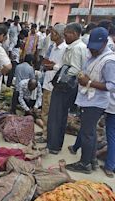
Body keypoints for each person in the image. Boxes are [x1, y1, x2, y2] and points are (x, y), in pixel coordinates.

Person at [66, 27, 115, 174]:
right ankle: (92, 160)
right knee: (90, 132)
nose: (92, 51)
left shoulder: (109, 61)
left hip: (96, 101)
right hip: (88, 99)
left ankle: (84, 163)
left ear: (105, 43)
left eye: (96, 48)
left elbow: (111, 86)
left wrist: (88, 82)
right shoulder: (95, 55)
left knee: (87, 133)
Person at [47, 23, 88, 155]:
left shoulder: (76, 48)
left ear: (75, 34)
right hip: (68, 86)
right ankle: (56, 144)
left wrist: (59, 73)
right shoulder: (77, 46)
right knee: (61, 116)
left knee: (56, 116)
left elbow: (74, 69)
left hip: (65, 86)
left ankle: (53, 145)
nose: (64, 37)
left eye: (66, 34)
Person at [40, 24, 67, 142]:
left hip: (55, 84)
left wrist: (53, 66)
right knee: (45, 110)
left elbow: (64, 67)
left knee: (52, 112)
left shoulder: (65, 49)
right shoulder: (52, 46)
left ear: (60, 35)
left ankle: (48, 135)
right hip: (47, 81)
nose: (51, 35)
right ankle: (45, 132)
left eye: (54, 33)